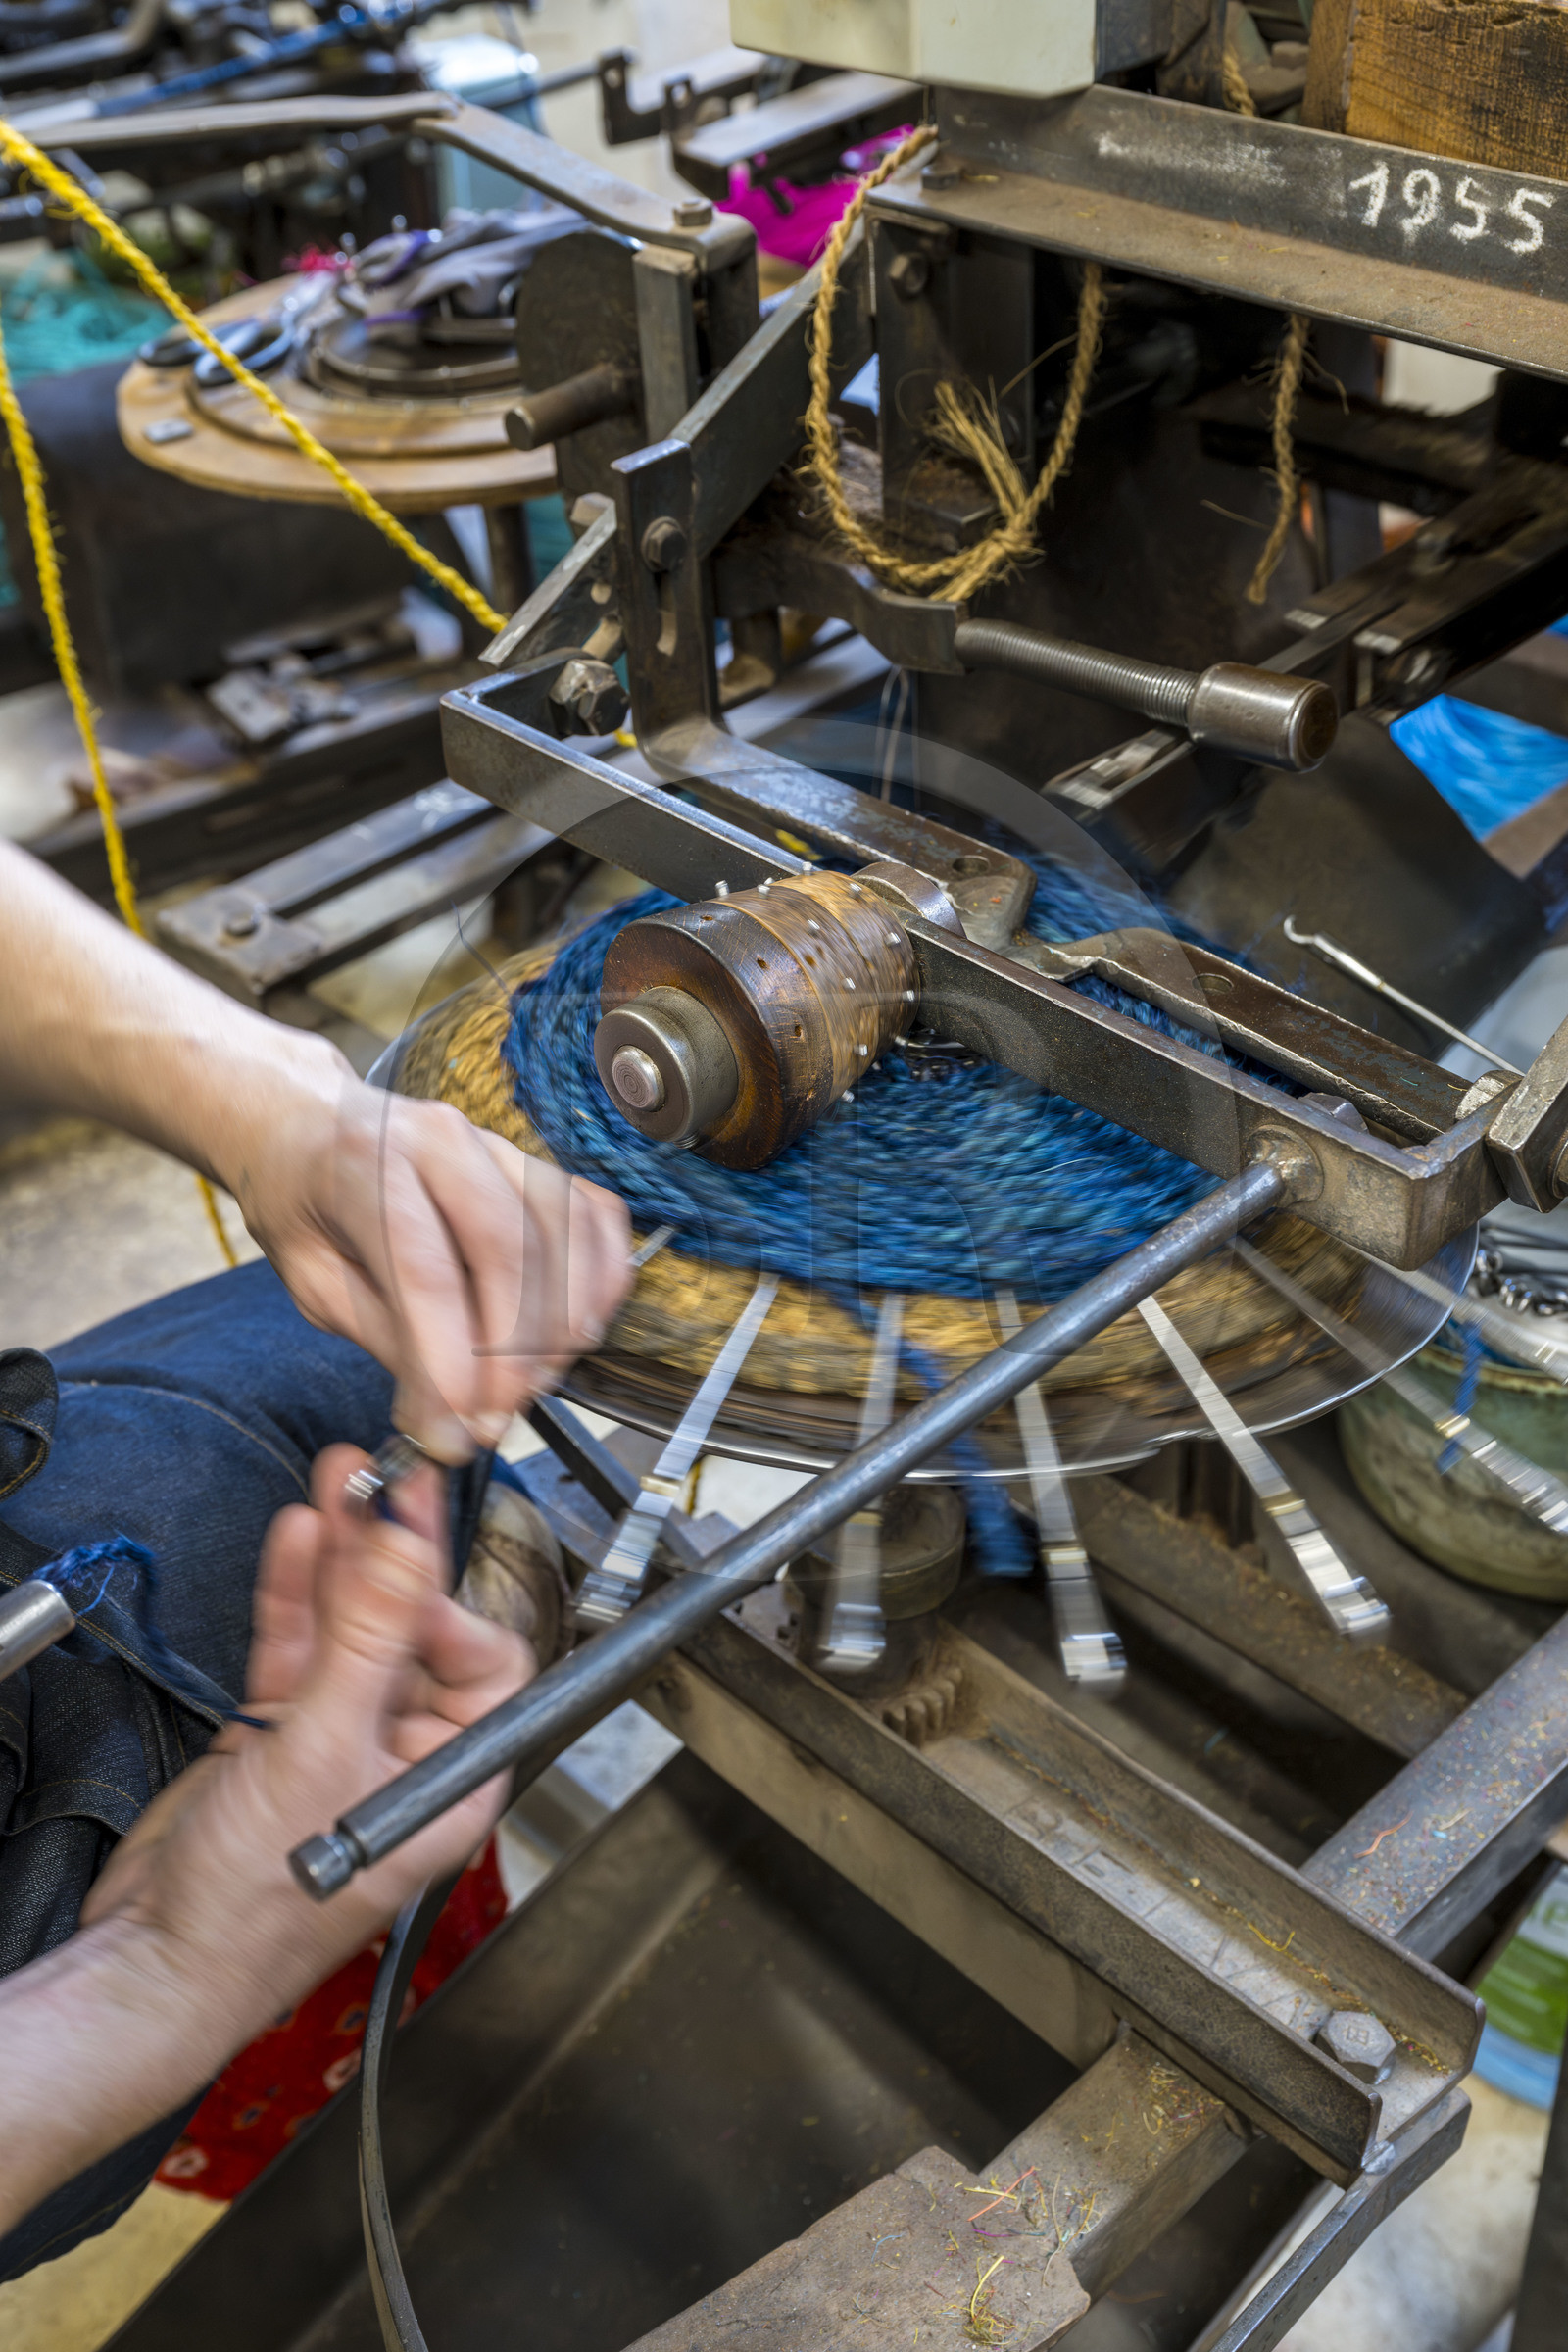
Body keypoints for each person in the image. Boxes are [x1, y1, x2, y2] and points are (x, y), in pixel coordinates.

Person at [0, 840, 632, 2269]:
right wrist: (151, 1978)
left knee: (330, 1336)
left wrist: (275, 1103)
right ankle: (523, 1558)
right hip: (43, 1911)